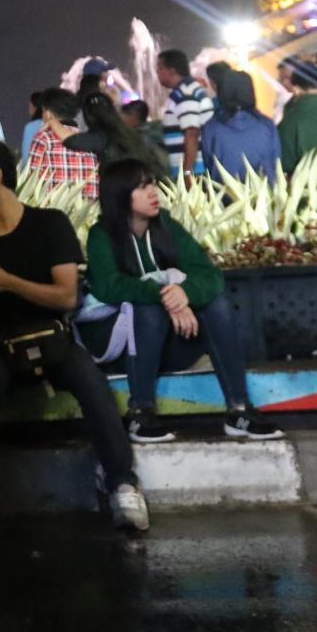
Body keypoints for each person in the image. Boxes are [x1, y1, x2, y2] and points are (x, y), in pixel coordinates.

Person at [0, 141, 148, 534]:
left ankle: (123, 484)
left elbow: (67, 296)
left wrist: (6, 282)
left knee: (91, 381)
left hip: (52, 338)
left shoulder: (50, 224)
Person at [85, 160, 281, 444]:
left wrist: (185, 293)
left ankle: (239, 410)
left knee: (217, 305)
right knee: (148, 309)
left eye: (153, 184)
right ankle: (140, 413)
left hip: (172, 343)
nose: (153, 192)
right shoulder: (101, 235)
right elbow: (108, 286)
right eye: (142, 187)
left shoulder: (166, 226)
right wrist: (167, 296)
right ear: (120, 195)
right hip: (121, 350)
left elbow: (209, 274)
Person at [199, 64, 281, 180]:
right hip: (264, 190)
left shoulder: (211, 128)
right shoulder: (267, 125)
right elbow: (276, 162)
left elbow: (208, 163)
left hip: (225, 190)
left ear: (223, 91)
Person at [67, 90, 167, 177]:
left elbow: (72, 141)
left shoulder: (109, 136)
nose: (120, 117)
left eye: (122, 114)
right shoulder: (138, 133)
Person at [26, 88, 100, 191]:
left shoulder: (43, 138)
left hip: (52, 200)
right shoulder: (88, 139)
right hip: (87, 201)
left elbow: (31, 179)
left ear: (48, 113)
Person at [156, 49, 214, 177]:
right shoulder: (186, 89)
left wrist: (187, 172)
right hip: (196, 169)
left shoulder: (185, 92)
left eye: (160, 68)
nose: (157, 72)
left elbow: (192, 132)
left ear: (172, 71)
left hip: (196, 171)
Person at [18, 92, 44, 165]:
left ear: (34, 107)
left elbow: (26, 155)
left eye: (29, 106)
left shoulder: (31, 127)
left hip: (35, 168)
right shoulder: (55, 125)